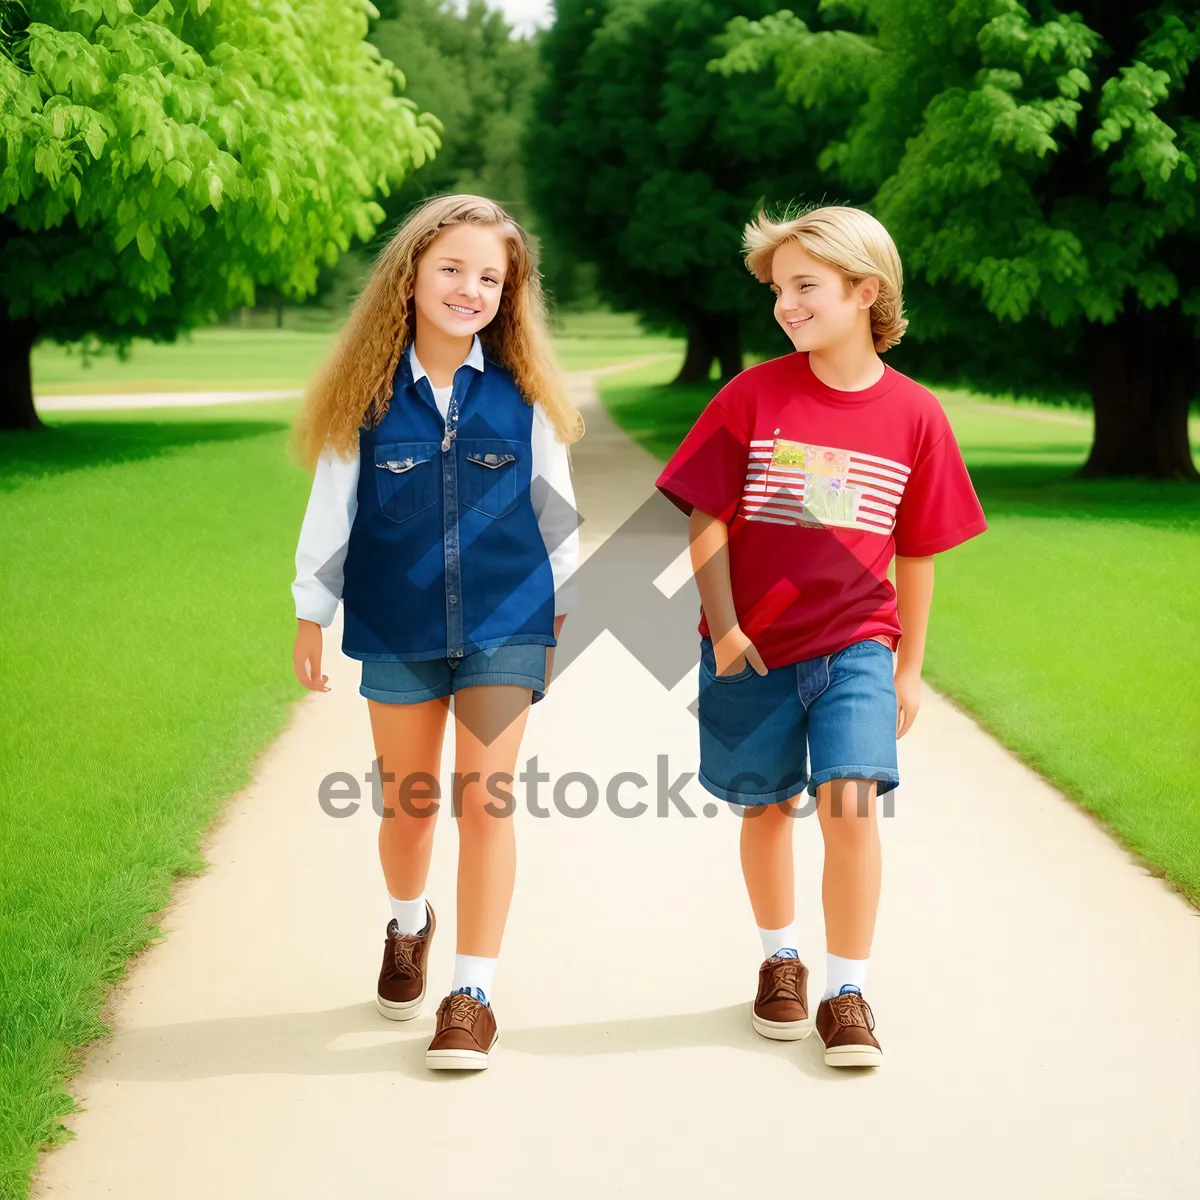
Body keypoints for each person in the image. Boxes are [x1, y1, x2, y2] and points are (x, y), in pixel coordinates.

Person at [655, 204, 987, 1067]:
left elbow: (915, 551)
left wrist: (908, 668)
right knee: (765, 808)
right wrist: (724, 628)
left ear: (864, 291)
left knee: (850, 808)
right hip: (752, 648)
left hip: (858, 647)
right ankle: (780, 963)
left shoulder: (917, 417)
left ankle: (846, 991)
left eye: (806, 286)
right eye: (778, 289)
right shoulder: (752, 394)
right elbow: (707, 514)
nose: (786, 305)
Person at [289, 194, 584, 1071]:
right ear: (411, 275)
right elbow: (331, 510)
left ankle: (472, 995)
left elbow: (556, 512)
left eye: (489, 276)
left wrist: (558, 607)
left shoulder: (523, 396)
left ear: (508, 293)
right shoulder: (368, 399)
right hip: (396, 623)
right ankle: (408, 923)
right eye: (452, 268)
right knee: (410, 808)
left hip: (507, 620)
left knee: (485, 801)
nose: (469, 287)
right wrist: (312, 609)